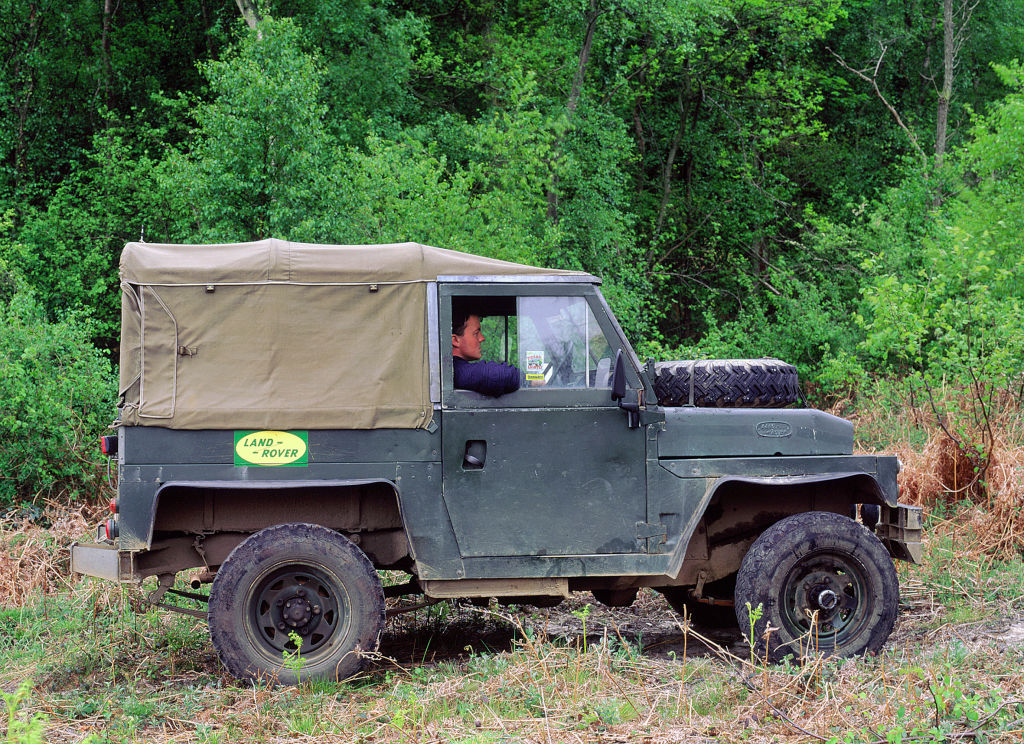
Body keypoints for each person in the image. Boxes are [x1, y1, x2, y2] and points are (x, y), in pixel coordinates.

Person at [452, 311, 521, 396]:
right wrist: (529, 379)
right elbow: (493, 375)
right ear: (455, 340)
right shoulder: (456, 371)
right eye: (476, 334)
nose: (482, 338)